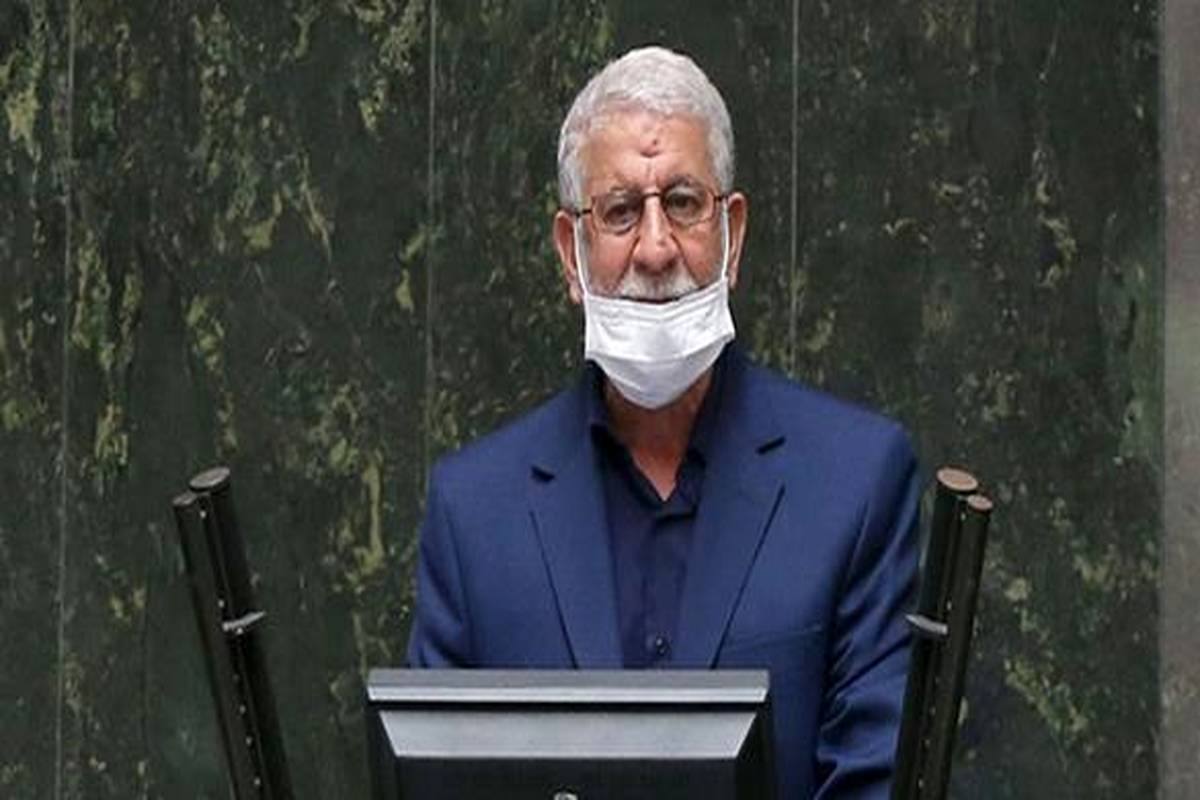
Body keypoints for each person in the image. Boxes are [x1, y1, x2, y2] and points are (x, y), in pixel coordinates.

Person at [406, 45, 920, 799]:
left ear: (732, 234)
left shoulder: (857, 485)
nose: (654, 248)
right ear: (571, 254)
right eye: (619, 211)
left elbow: (876, 782)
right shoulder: (475, 513)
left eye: (682, 202)